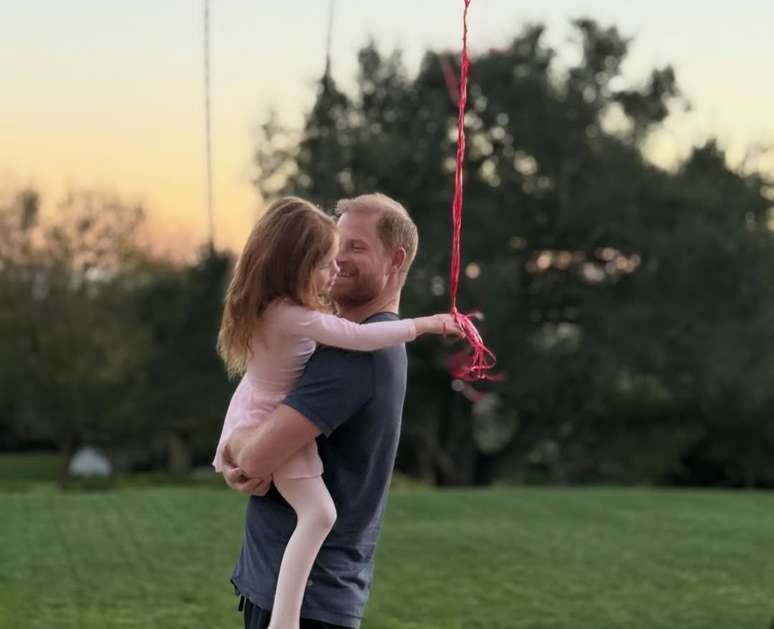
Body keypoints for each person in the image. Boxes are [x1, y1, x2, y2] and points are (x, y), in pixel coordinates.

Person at [215, 195, 456, 629]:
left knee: (317, 514)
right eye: (336, 244)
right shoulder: (332, 333)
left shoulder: (358, 352)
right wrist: (237, 451)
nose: (338, 258)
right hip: (291, 587)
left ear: (396, 259)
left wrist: (237, 447)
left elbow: (255, 459)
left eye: (356, 247)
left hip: (308, 601)